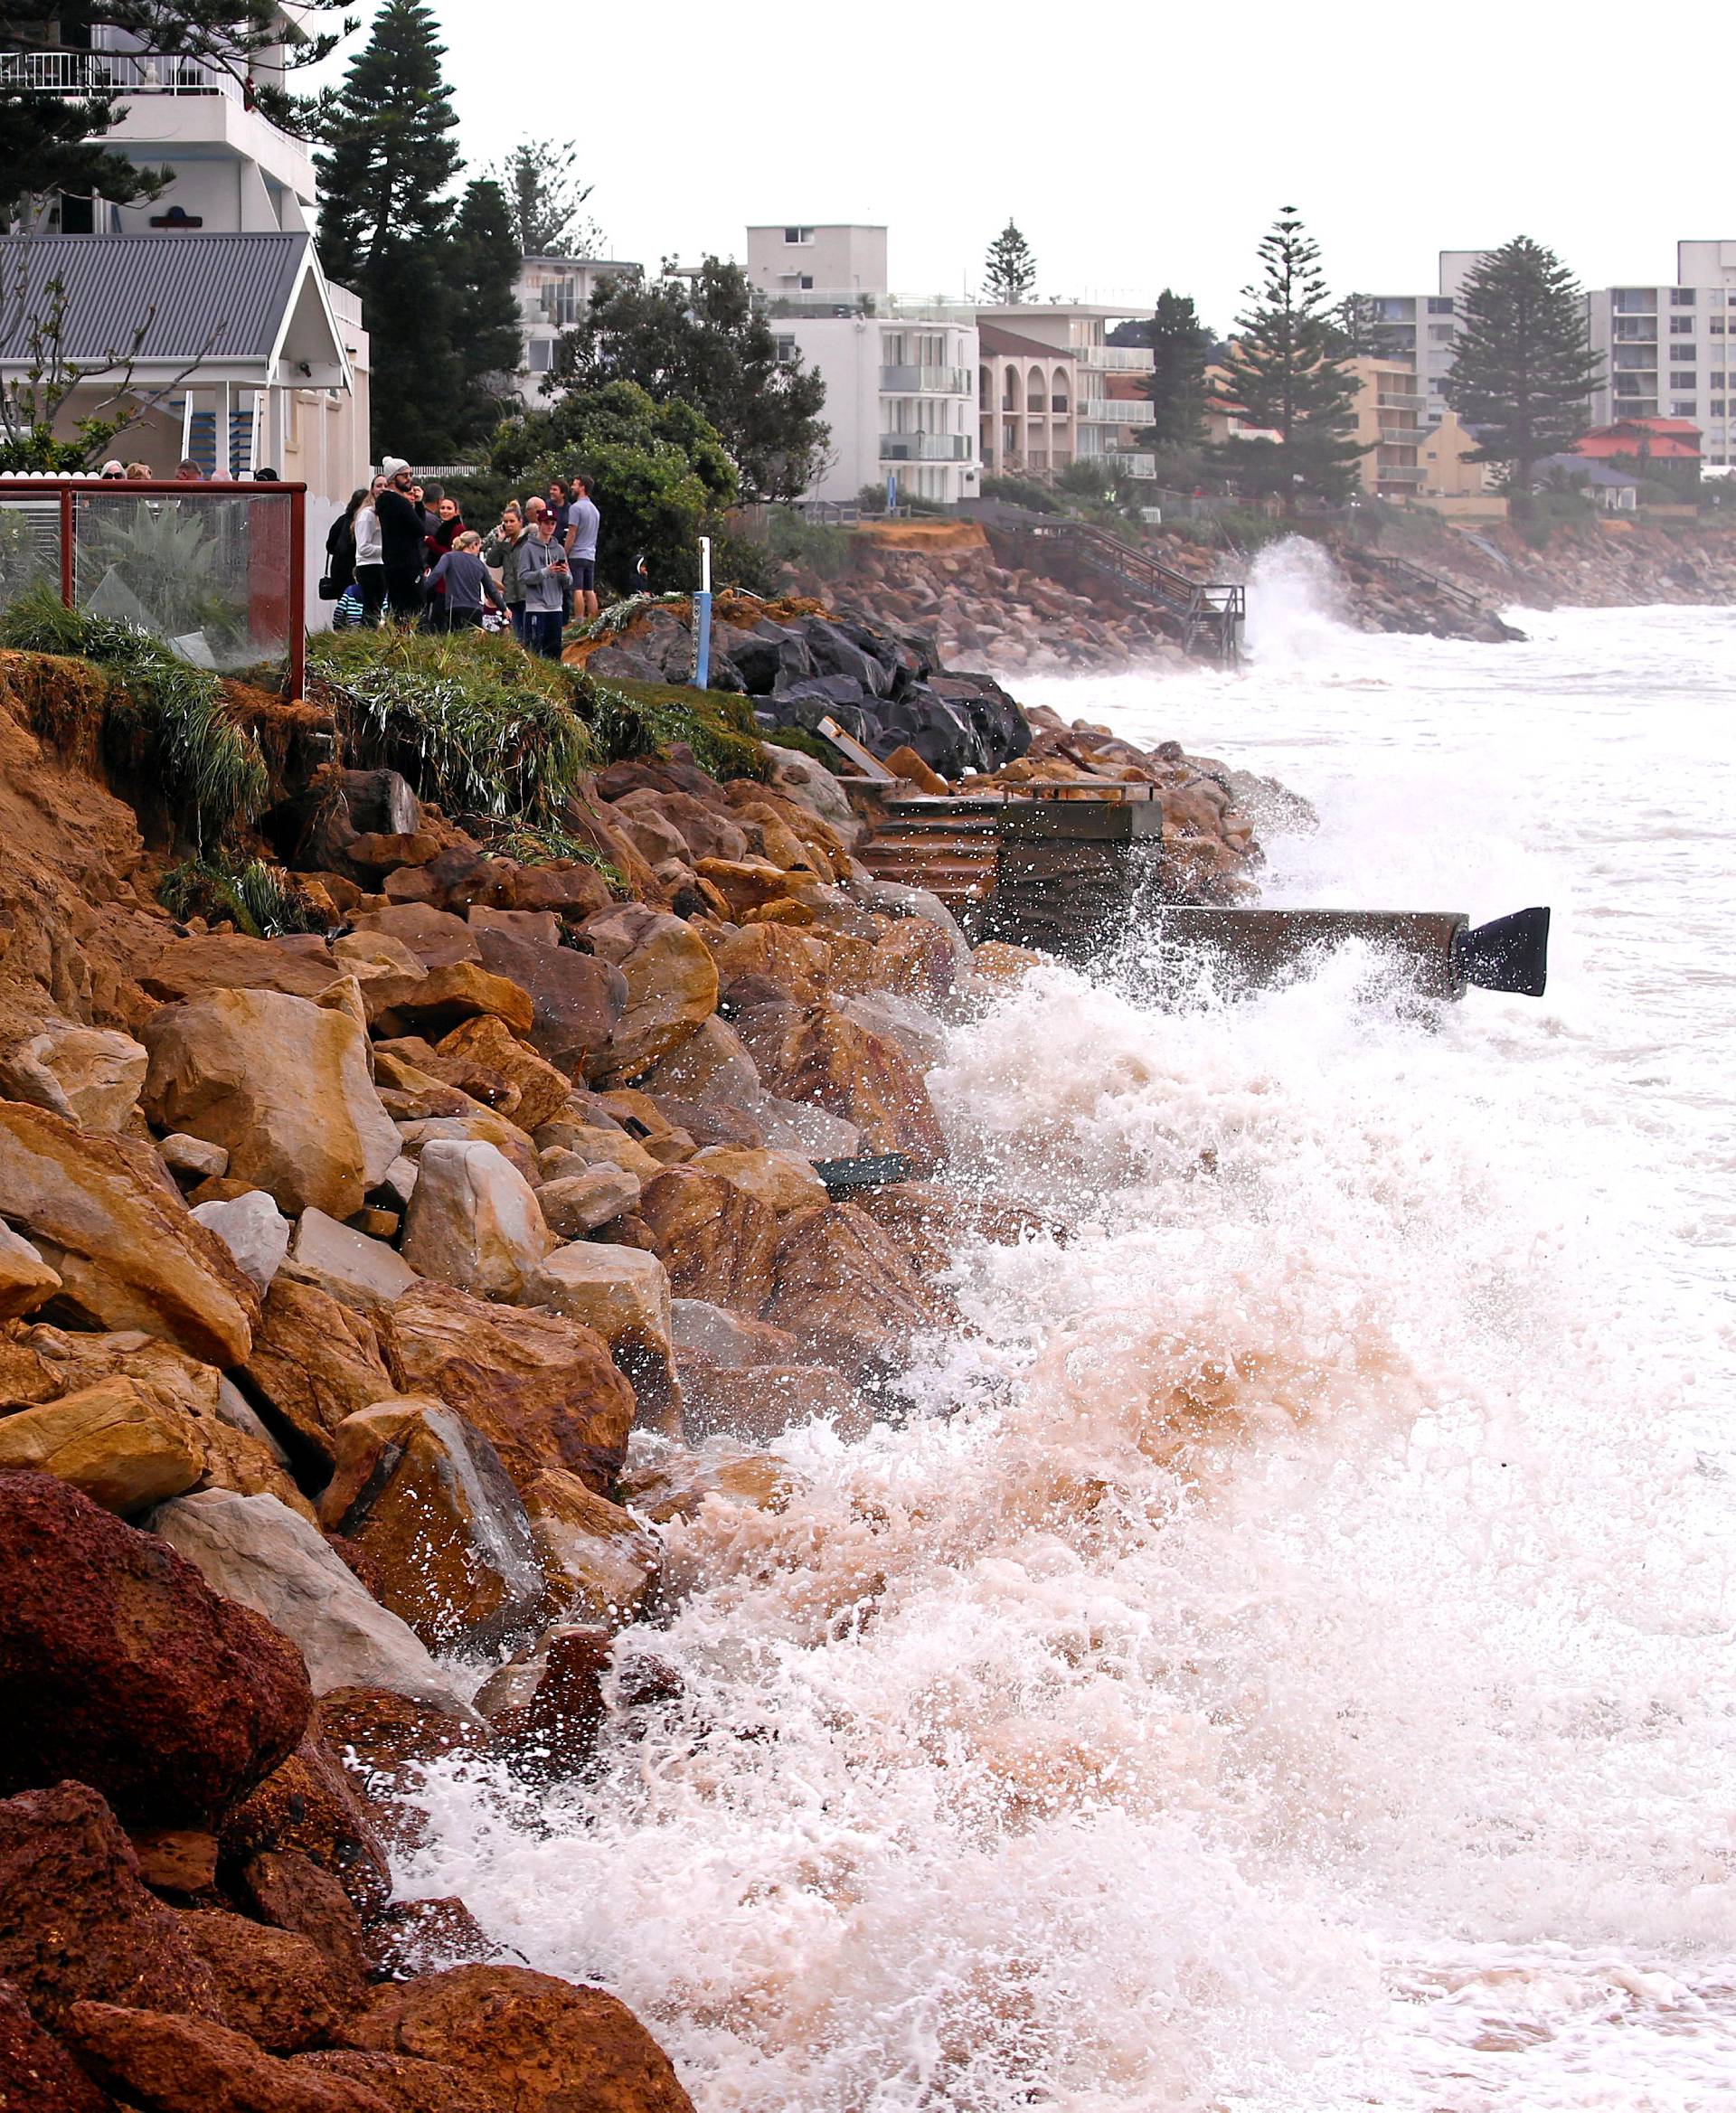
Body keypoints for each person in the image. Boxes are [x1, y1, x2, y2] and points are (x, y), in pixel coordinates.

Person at [375, 457, 429, 621]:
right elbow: (419, 529)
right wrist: (418, 505)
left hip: (393, 563)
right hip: (407, 563)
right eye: (404, 475)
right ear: (392, 479)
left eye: (410, 474)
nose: (409, 479)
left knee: (397, 608)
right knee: (414, 609)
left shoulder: (384, 501)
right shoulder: (399, 502)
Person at [428, 531, 507, 630]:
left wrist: (422, 588)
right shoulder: (480, 564)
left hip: (455, 607)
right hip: (475, 610)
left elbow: (436, 574)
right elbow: (492, 590)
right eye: (479, 547)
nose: (479, 550)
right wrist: (504, 609)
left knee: (456, 640)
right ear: (474, 544)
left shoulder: (449, 557)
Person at [516, 510, 570, 658]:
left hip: (556, 606)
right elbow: (522, 576)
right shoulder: (528, 548)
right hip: (536, 606)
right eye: (546, 523)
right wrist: (545, 571)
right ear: (539, 523)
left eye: (553, 523)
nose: (550, 526)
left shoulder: (559, 549)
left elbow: (568, 582)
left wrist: (564, 573)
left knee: (554, 650)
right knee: (533, 648)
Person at [483, 505, 529, 641]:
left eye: (512, 521)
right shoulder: (505, 544)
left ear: (520, 522)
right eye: (506, 522)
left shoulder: (528, 541)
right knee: (515, 634)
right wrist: (499, 541)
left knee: (527, 632)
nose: (508, 525)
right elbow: (491, 561)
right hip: (510, 595)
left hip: (526, 594)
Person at [565, 472, 601, 624]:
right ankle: (594, 621)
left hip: (577, 554)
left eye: (575, 484)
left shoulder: (575, 508)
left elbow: (572, 533)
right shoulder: (595, 510)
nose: (572, 487)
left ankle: (579, 620)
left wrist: (564, 552)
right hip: (590, 554)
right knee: (589, 589)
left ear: (582, 487)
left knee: (577, 589)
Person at [352, 473, 387, 626]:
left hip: (381, 564)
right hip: (369, 566)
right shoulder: (367, 515)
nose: (383, 489)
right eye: (379, 485)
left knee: (377, 607)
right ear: (372, 490)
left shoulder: (384, 512)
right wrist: (387, 549)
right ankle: (367, 637)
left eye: (386, 485)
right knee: (371, 608)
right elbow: (364, 547)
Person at [325, 486, 366, 608]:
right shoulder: (365, 521)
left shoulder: (341, 521)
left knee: (344, 606)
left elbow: (330, 546)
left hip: (340, 572)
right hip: (359, 571)